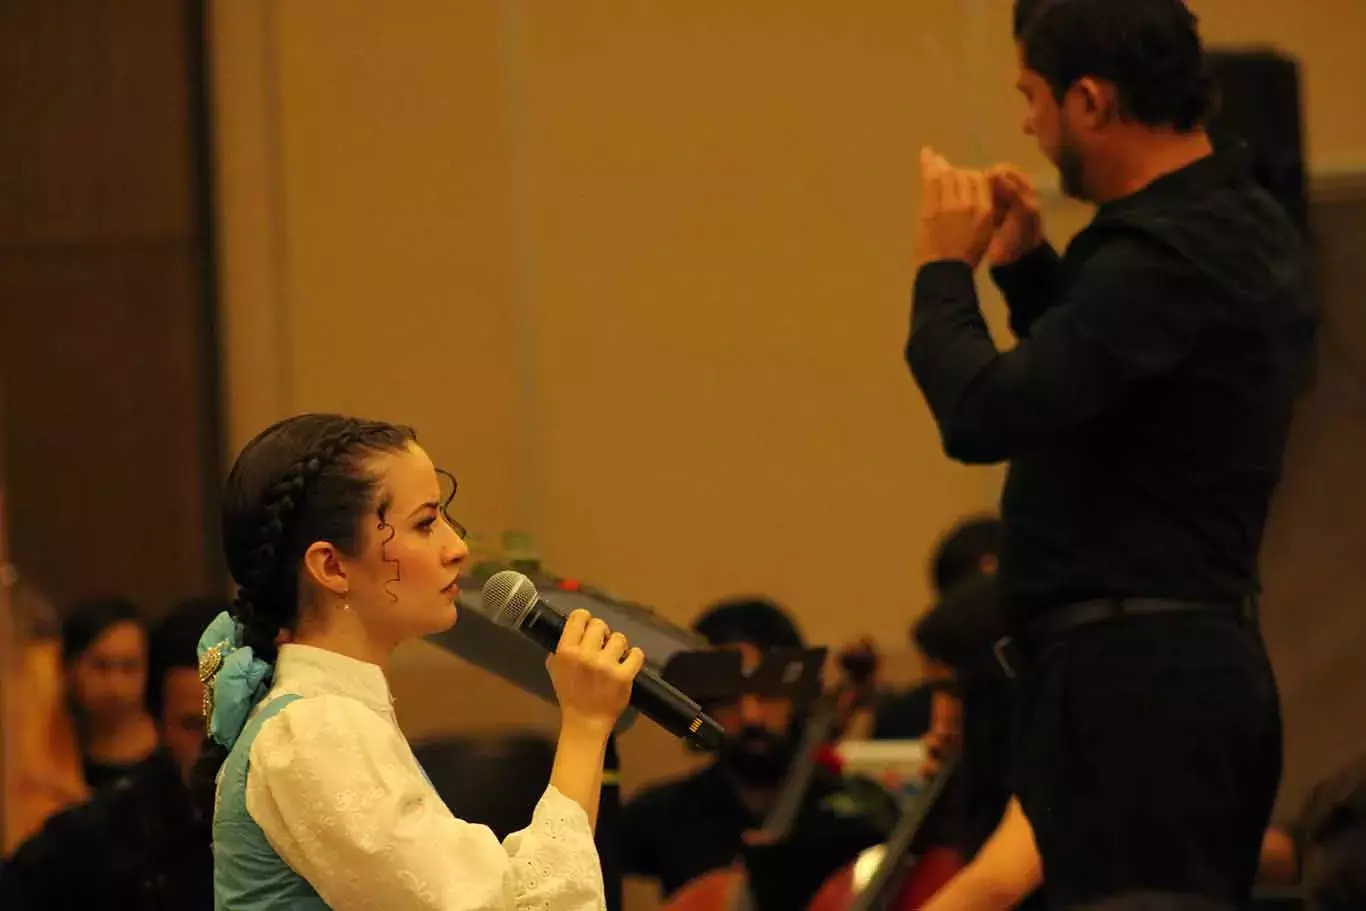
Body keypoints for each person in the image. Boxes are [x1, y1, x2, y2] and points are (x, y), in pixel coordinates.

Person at [903, 0, 1315, 906]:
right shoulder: (1224, 223)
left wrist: (943, 269)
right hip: (1169, 676)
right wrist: (1024, 266)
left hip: (1140, 694)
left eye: (1032, 96)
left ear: (1089, 99)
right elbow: (1115, 396)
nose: (1027, 124)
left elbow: (983, 411)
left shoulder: (1164, 252)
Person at [193, 412, 642, 910]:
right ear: (332, 566)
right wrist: (584, 724)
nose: (457, 548)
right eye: (426, 524)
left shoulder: (326, 717)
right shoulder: (315, 729)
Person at [619, 597, 896, 909]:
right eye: (728, 697)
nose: (751, 714)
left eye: (767, 692)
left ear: (797, 694)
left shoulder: (861, 813)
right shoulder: (664, 813)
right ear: (702, 704)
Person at [0, 596, 222, 910]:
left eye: (235, 719)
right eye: (193, 725)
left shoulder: (295, 826)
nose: (218, 746)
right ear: (159, 724)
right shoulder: (101, 837)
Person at [61, 596, 160, 791]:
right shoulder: (55, 754)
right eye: (100, 667)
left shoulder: (170, 754)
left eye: (129, 667)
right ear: (69, 668)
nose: (115, 686)